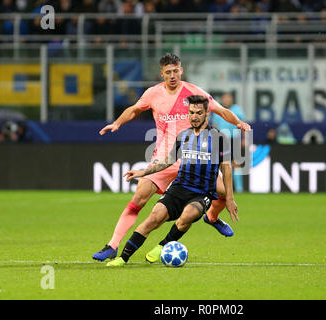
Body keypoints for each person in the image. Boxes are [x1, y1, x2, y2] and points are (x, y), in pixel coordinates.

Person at [92, 53, 250, 261]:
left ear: (181, 70)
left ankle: (212, 217)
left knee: (224, 193)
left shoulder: (194, 92)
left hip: (194, 158)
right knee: (139, 197)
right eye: (168, 72)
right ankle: (112, 245)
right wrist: (117, 123)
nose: (173, 75)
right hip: (165, 157)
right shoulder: (153, 93)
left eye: (176, 71)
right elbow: (133, 110)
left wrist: (238, 122)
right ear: (162, 74)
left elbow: (220, 110)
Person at [106, 95, 238, 267]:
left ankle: (162, 246)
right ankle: (122, 258)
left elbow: (226, 170)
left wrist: (229, 198)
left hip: (202, 193)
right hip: (179, 188)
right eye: (191, 112)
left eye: (199, 113)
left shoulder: (219, 138)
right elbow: (168, 161)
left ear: (207, 114)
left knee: (188, 216)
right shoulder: (183, 136)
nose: (194, 116)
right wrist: (143, 172)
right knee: (154, 217)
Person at [211, 93, 246, 192]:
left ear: (232, 99)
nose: (227, 100)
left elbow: (243, 125)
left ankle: (239, 189)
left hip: (234, 139)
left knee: (236, 163)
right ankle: (222, 189)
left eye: (228, 98)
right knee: (221, 164)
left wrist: (244, 139)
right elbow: (215, 126)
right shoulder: (218, 111)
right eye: (225, 98)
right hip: (221, 139)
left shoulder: (237, 110)